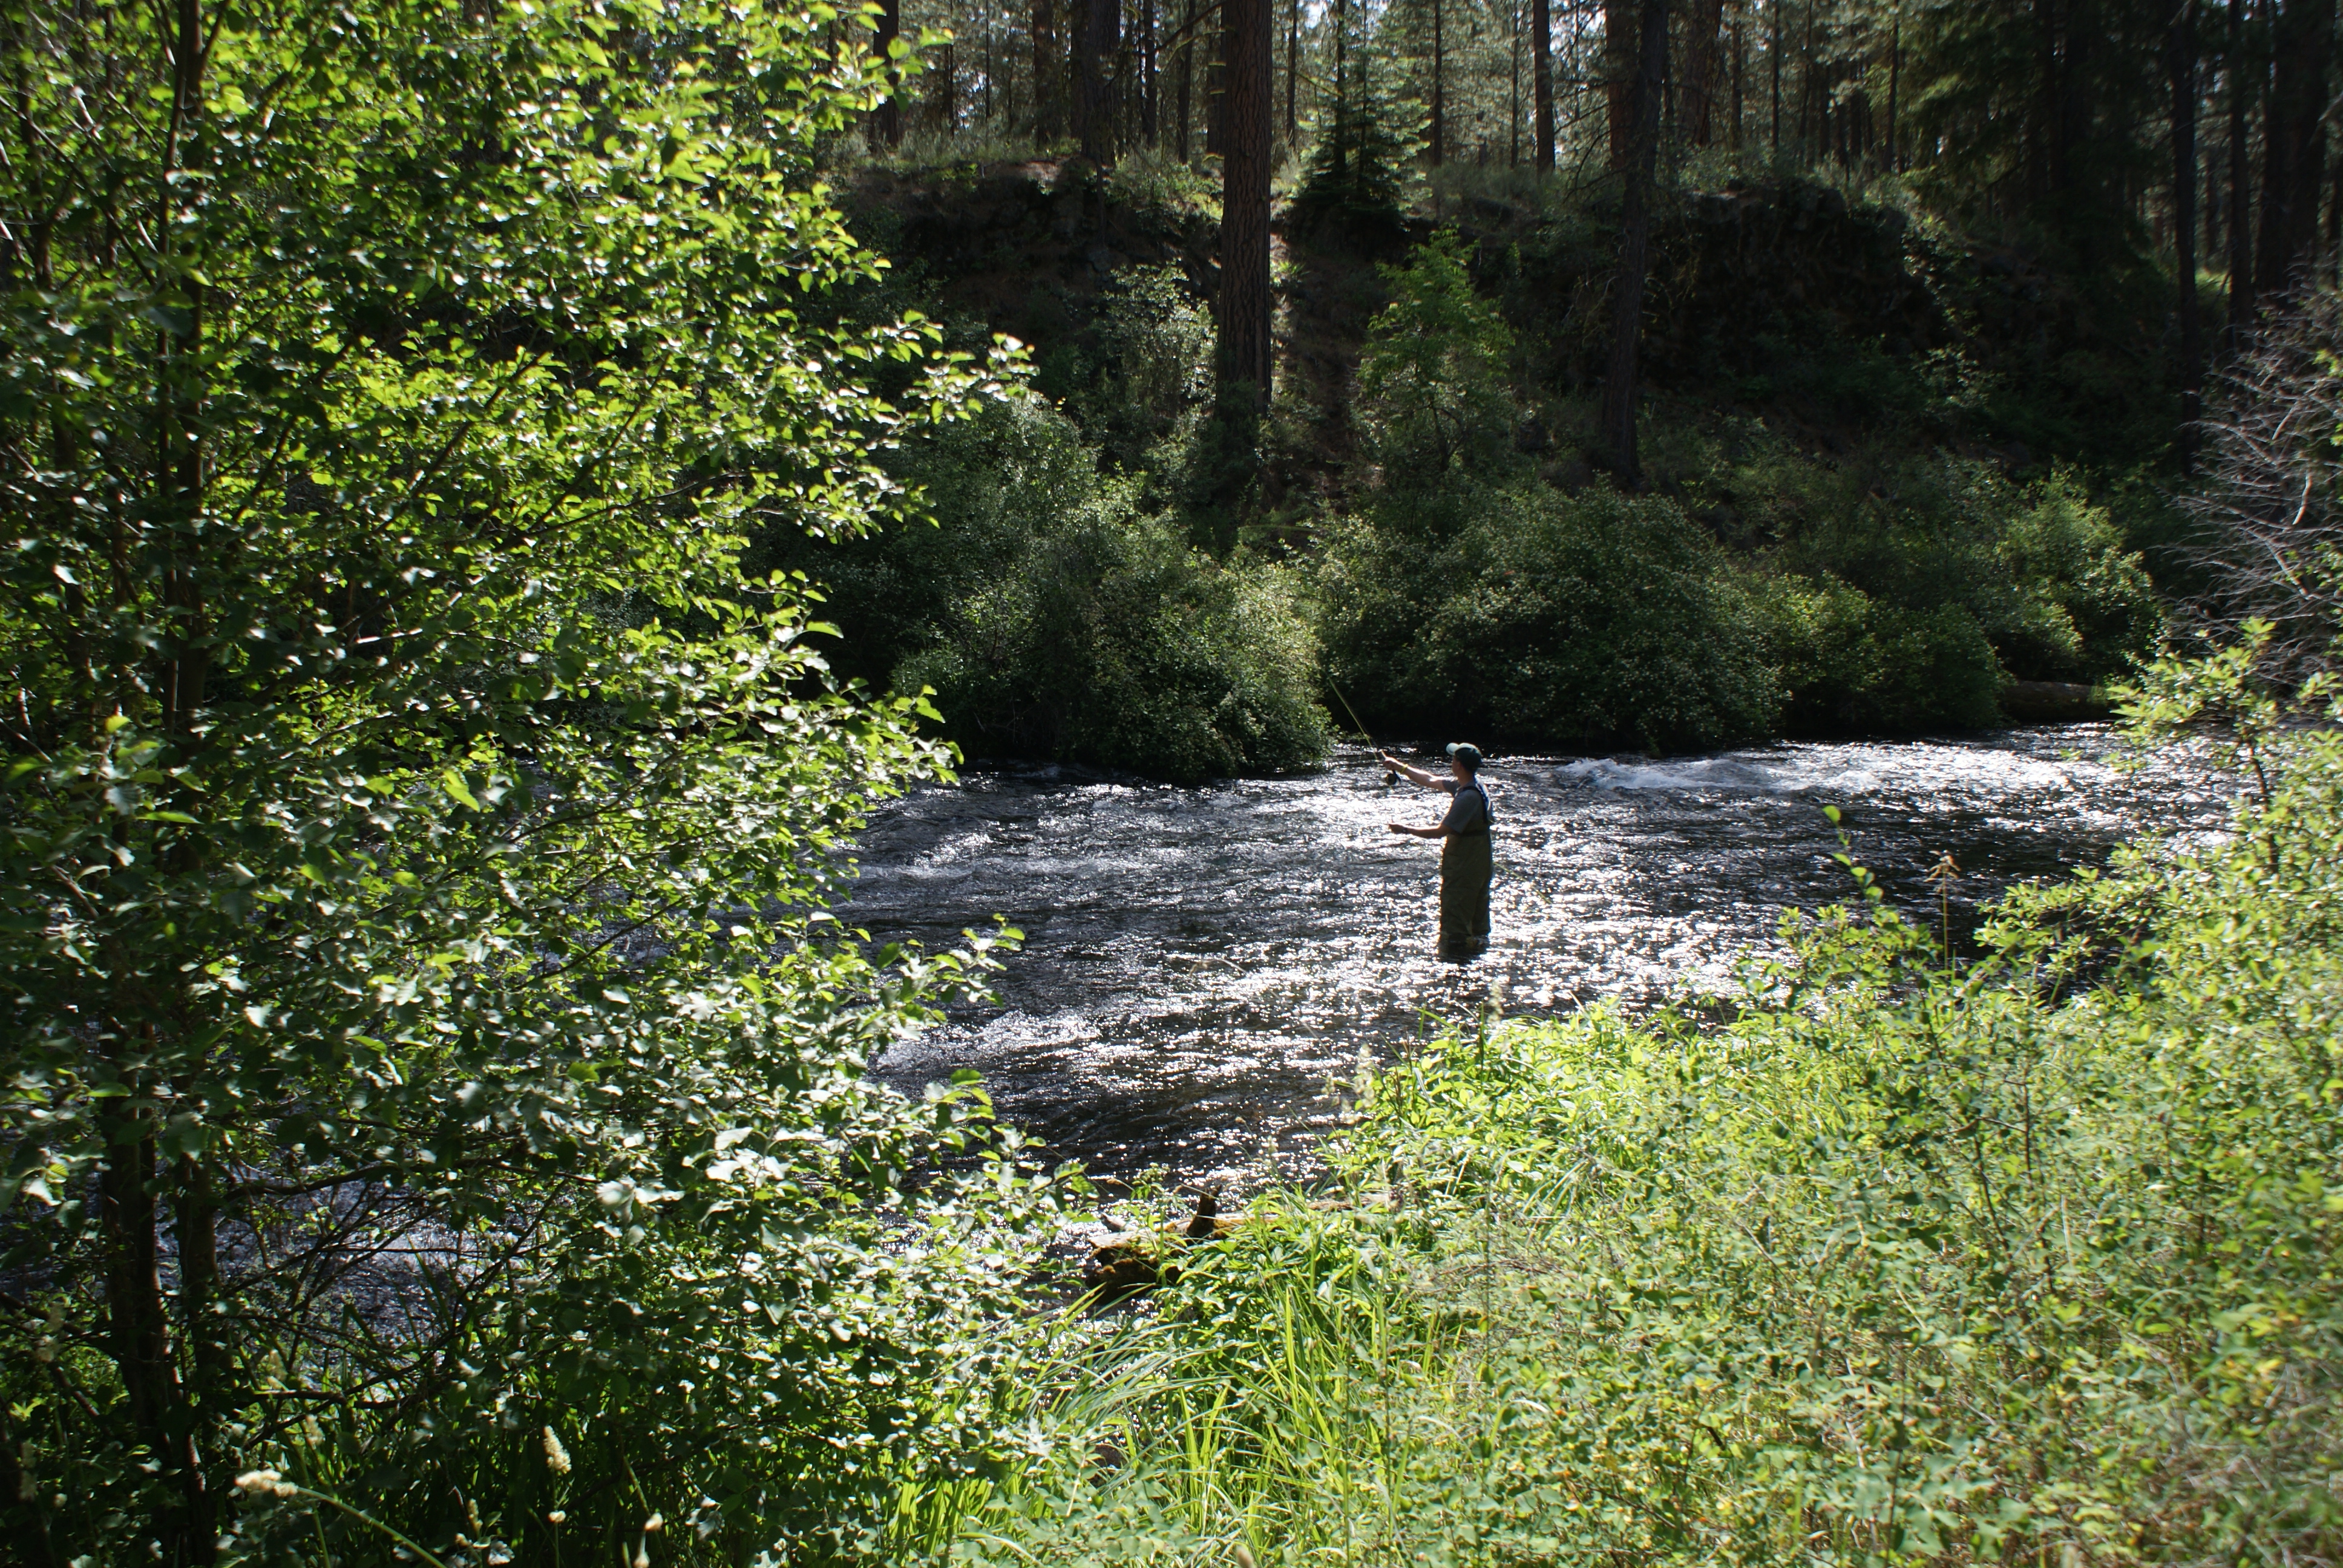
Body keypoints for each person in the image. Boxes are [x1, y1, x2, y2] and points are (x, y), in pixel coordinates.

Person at [1381, 742, 1494, 956]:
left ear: (1459, 764)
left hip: (1466, 863)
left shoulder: (1467, 797)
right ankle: (1477, 955)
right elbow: (1430, 780)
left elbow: (1441, 831)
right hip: (1478, 859)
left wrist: (1405, 829)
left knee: (1456, 918)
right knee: (1477, 917)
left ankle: (1456, 964)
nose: (1451, 762)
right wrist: (1399, 766)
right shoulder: (1472, 784)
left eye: (1453, 759)